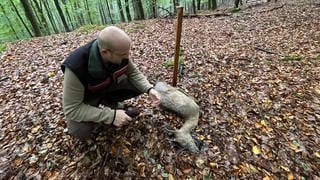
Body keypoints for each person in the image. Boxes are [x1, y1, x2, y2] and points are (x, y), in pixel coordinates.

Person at [61, 26, 160, 140]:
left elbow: (134, 73)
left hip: (107, 87)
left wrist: (149, 89)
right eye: (123, 54)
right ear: (105, 52)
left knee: (141, 85)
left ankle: (110, 103)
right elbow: (71, 109)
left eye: (127, 52)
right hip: (88, 98)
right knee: (80, 131)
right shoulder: (76, 67)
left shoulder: (119, 52)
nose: (127, 57)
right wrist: (111, 116)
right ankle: (107, 108)